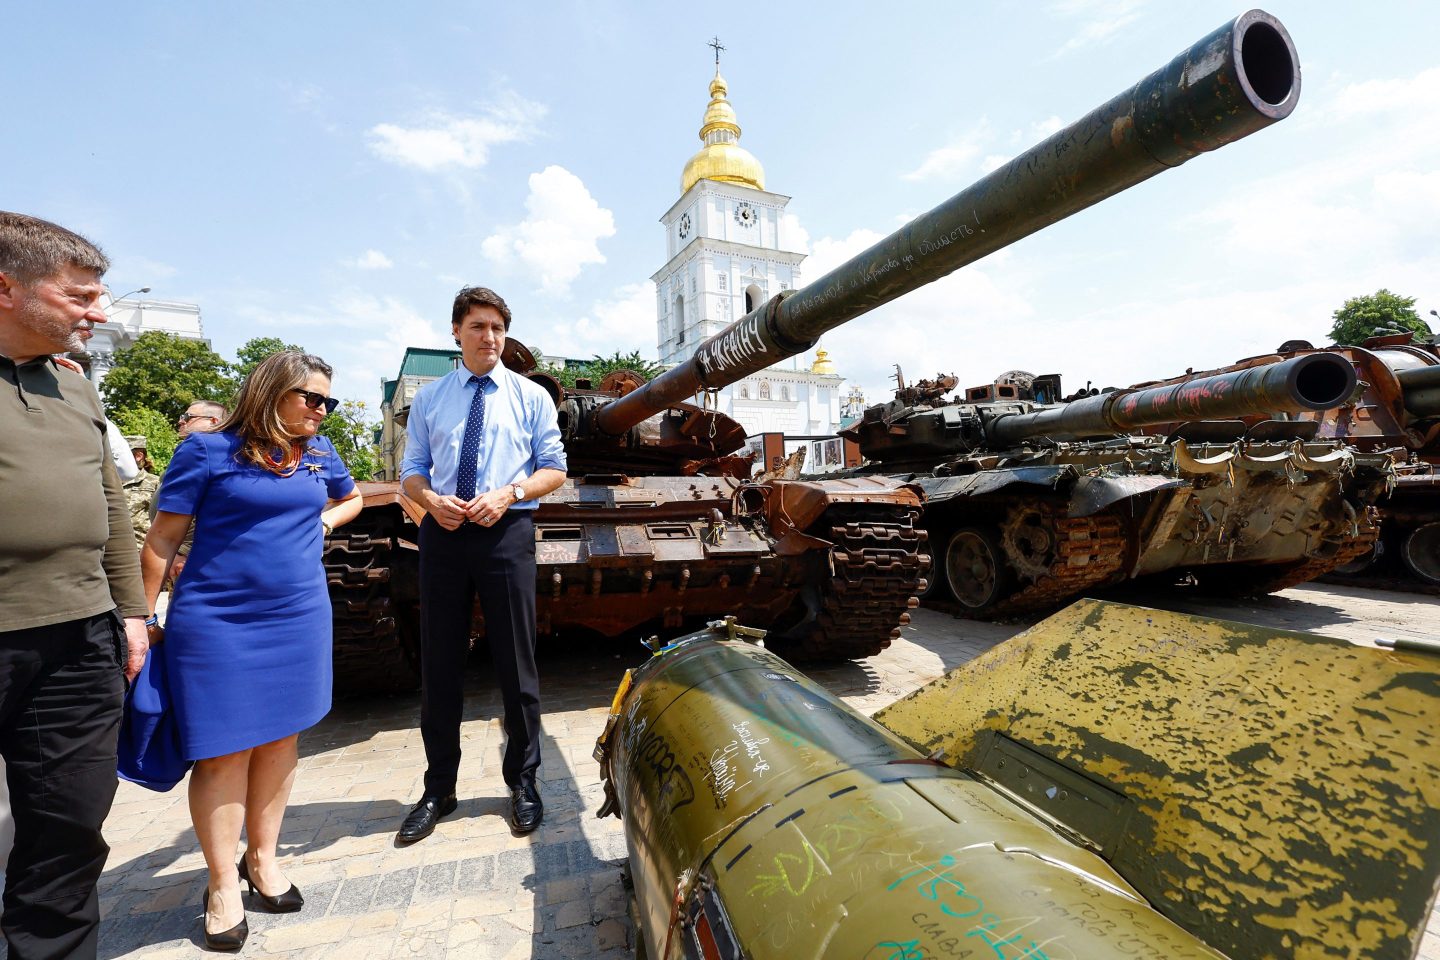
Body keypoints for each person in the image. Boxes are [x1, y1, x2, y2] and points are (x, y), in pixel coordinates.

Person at [140, 352, 362, 951]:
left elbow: (354, 498)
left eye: (328, 402)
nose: (321, 410)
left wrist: (325, 523)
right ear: (269, 391)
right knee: (222, 752)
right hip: (218, 623)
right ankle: (220, 885)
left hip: (298, 619)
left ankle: (261, 861)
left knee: (281, 739)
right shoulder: (208, 450)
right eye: (311, 398)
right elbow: (162, 537)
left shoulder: (317, 452)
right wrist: (141, 617)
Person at [0, 211, 149, 960]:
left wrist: (131, 612)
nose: (99, 313)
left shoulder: (74, 386)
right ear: (6, 288)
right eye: (80, 297)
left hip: (78, 641)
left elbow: (112, 507)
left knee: (66, 835)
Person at [396, 286, 566, 842]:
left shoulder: (530, 397)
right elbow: (413, 470)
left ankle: (524, 782)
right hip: (443, 534)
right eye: (477, 326)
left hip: (505, 530)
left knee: (517, 663)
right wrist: (428, 500)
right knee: (439, 662)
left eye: (497, 327)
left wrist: (509, 493)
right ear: (456, 332)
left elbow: (554, 469)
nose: (489, 337)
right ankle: (438, 788)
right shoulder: (430, 399)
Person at [166, 400, 226, 584]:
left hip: (192, 560)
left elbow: (209, 510)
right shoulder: (188, 453)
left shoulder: (223, 460)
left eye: (188, 417)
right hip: (173, 551)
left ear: (214, 421)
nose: (181, 421)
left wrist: (182, 551)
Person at [122, 436, 160, 551]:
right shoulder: (106, 481)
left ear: (138, 456)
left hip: (140, 551)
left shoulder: (155, 483)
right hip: (107, 551)